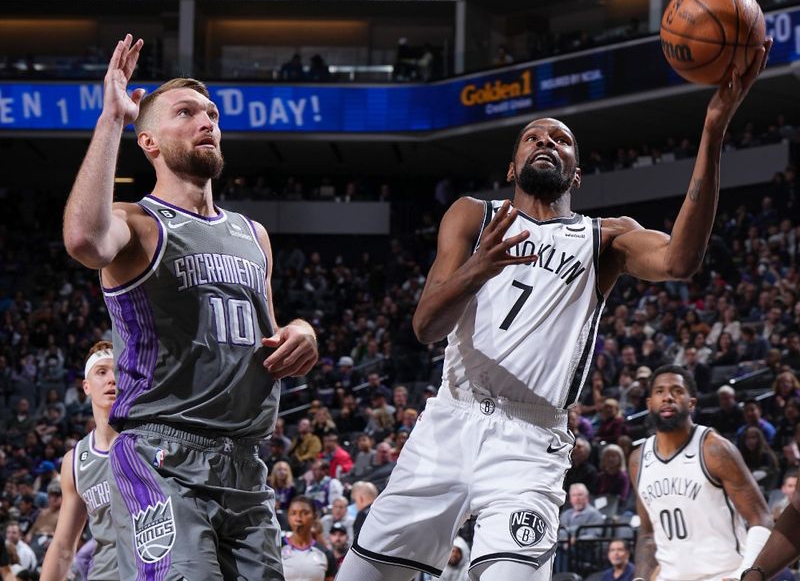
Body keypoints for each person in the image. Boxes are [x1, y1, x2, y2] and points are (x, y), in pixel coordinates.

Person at [337, 37, 773, 581]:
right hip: (450, 420)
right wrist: (479, 268)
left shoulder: (605, 238)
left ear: (576, 172)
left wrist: (712, 131)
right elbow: (426, 327)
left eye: (561, 140)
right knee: (362, 576)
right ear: (512, 166)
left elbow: (681, 262)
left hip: (529, 439)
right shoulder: (474, 215)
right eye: (532, 137)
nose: (546, 141)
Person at [62, 34, 318, 581]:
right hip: (163, 456)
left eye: (212, 113)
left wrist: (300, 331)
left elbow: (269, 334)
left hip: (246, 464)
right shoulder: (137, 224)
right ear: (149, 141)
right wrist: (112, 117)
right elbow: (84, 239)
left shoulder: (253, 235)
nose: (206, 121)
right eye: (186, 112)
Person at [630, 365, 773, 580]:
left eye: (677, 391)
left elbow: (761, 517)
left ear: (692, 403)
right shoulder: (638, 460)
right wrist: (640, 578)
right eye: (659, 391)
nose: (667, 397)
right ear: (649, 404)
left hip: (723, 574)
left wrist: (744, 575)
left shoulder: (715, 449)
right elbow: (648, 534)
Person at [40, 341, 118, 581]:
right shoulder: (74, 461)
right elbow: (63, 547)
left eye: (119, 371)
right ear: (86, 386)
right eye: (101, 372)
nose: (112, 379)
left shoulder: (150, 440)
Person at [281, 496, 337, 581]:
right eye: (293, 513)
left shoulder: (325, 554)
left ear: (314, 516)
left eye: (304, 513)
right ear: (288, 516)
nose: (298, 518)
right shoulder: (277, 548)